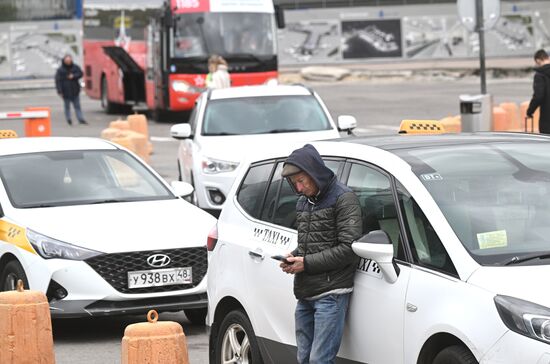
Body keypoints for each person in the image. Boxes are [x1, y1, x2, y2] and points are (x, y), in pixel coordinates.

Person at [279, 144, 362, 364]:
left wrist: (305, 263)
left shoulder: (344, 198)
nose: (298, 188)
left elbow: (349, 249)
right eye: (293, 183)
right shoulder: (303, 202)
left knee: (319, 360)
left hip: (331, 294)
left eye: (301, 181)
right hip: (306, 292)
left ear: (314, 173)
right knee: (304, 358)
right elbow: (312, 244)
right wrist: (293, 257)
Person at [55, 55, 87, 126]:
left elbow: (81, 73)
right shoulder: (60, 70)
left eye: (69, 60)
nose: (68, 62)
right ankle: (68, 119)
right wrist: (59, 91)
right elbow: (58, 81)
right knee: (67, 107)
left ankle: (80, 119)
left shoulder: (75, 67)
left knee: (77, 106)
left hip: (75, 90)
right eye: (67, 61)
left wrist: (74, 76)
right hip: (65, 91)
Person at [527, 49, 550, 134]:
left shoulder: (540, 75)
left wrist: (530, 111)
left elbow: (538, 96)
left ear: (538, 60)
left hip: (547, 119)